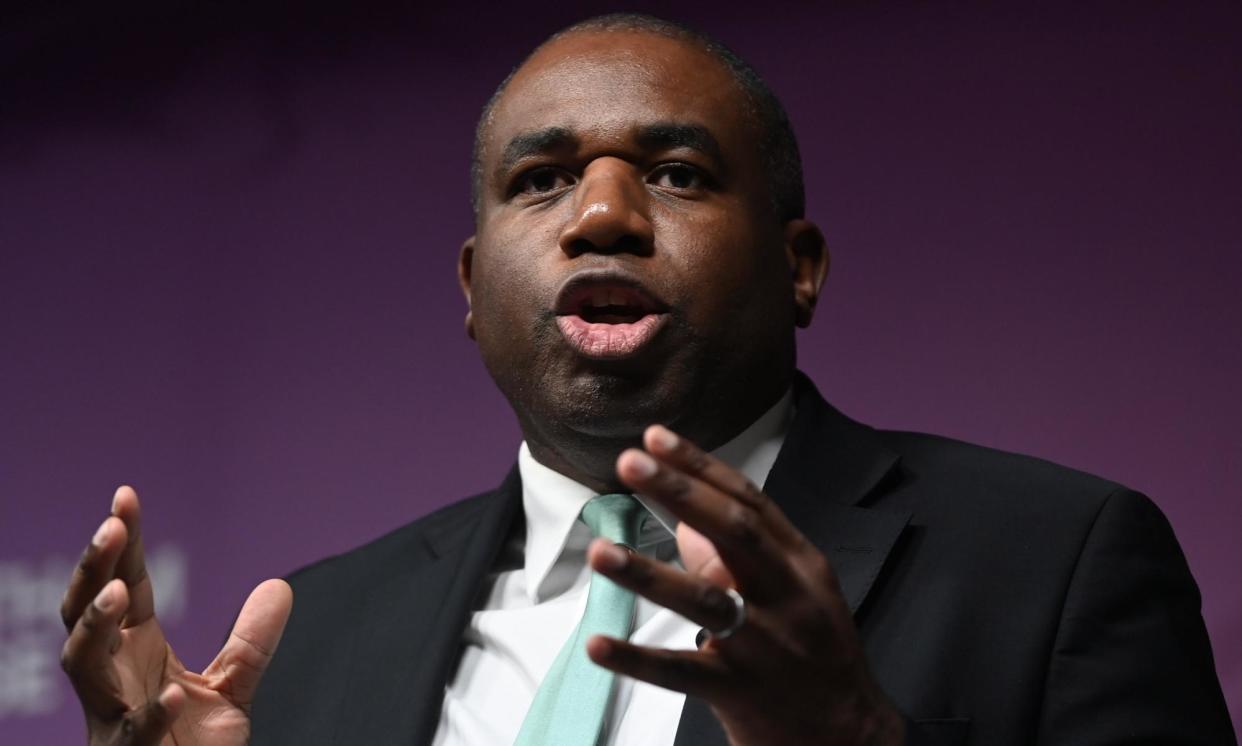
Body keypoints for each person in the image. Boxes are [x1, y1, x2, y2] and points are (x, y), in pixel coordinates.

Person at [58, 13, 1234, 746]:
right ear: (472, 287)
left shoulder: (1057, 559)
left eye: (674, 173)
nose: (603, 215)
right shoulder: (312, 634)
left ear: (799, 265)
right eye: (540, 182)